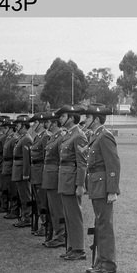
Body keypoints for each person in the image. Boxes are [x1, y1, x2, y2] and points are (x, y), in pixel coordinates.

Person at [84, 103, 121, 273]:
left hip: (103, 186)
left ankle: (108, 264)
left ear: (96, 119)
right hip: (96, 185)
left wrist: (112, 190)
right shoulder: (95, 136)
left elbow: (113, 164)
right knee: (100, 224)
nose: (85, 120)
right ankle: (101, 260)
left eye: (88, 117)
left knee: (105, 225)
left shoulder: (104, 136)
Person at [56, 106, 89, 260]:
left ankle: (79, 249)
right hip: (65, 178)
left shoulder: (79, 136)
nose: (60, 119)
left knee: (75, 215)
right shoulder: (68, 135)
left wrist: (80, 185)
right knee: (68, 215)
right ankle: (72, 246)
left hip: (72, 180)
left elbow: (82, 163)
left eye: (62, 116)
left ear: (71, 118)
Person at [41, 111, 68, 248]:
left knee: (57, 209)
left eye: (47, 122)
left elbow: (61, 160)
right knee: (52, 208)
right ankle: (57, 234)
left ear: (54, 123)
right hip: (49, 176)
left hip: (55, 177)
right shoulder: (53, 137)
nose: (46, 124)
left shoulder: (60, 137)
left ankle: (61, 236)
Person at [27, 113, 54, 237]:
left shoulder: (45, 137)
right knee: (38, 200)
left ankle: (46, 226)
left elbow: (45, 158)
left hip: (41, 172)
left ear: (42, 123)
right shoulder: (38, 137)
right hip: (35, 172)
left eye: (36, 123)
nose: (33, 125)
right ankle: (43, 224)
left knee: (43, 201)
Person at [11, 115, 34, 228]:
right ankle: (25, 216)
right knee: (22, 195)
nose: (16, 127)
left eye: (18, 125)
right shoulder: (22, 138)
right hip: (18, 170)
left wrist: (26, 173)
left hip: (22, 172)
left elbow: (26, 159)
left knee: (26, 196)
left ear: (24, 126)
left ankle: (27, 217)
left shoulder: (26, 139)